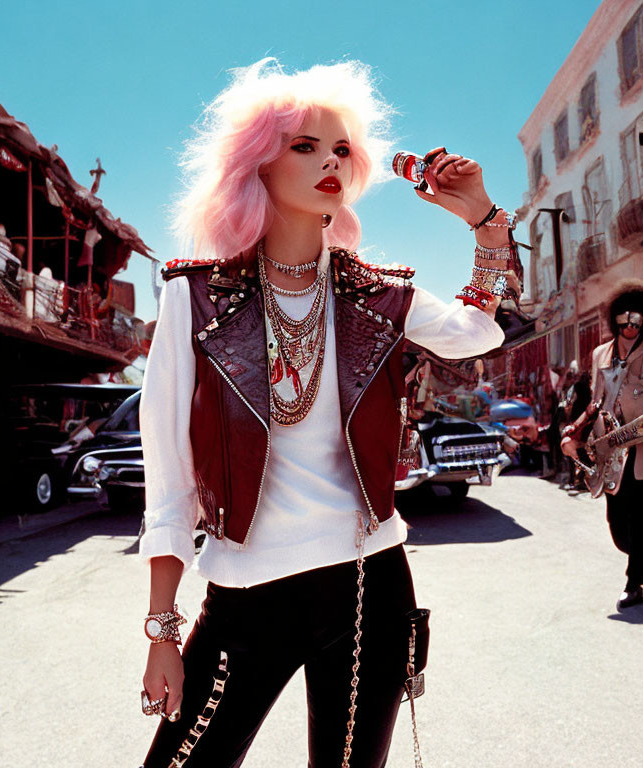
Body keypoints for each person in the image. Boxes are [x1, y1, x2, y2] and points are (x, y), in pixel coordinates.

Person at [138, 59, 515, 768]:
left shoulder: (375, 296)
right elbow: (169, 482)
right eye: (304, 146)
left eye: (341, 148)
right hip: (244, 594)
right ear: (256, 163)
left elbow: (478, 334)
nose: (329, 161)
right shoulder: (194, 300)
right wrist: (162, 631)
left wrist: (486, 224)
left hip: (369, 582)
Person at [561, 279, 643, 611]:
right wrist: (574, 430)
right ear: (614, 320)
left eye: (635, 319)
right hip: (610, 448)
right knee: (619, 530)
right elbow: (595, 402)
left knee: (638, 519)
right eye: (623, 319)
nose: (628, 326)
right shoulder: (600, 355)